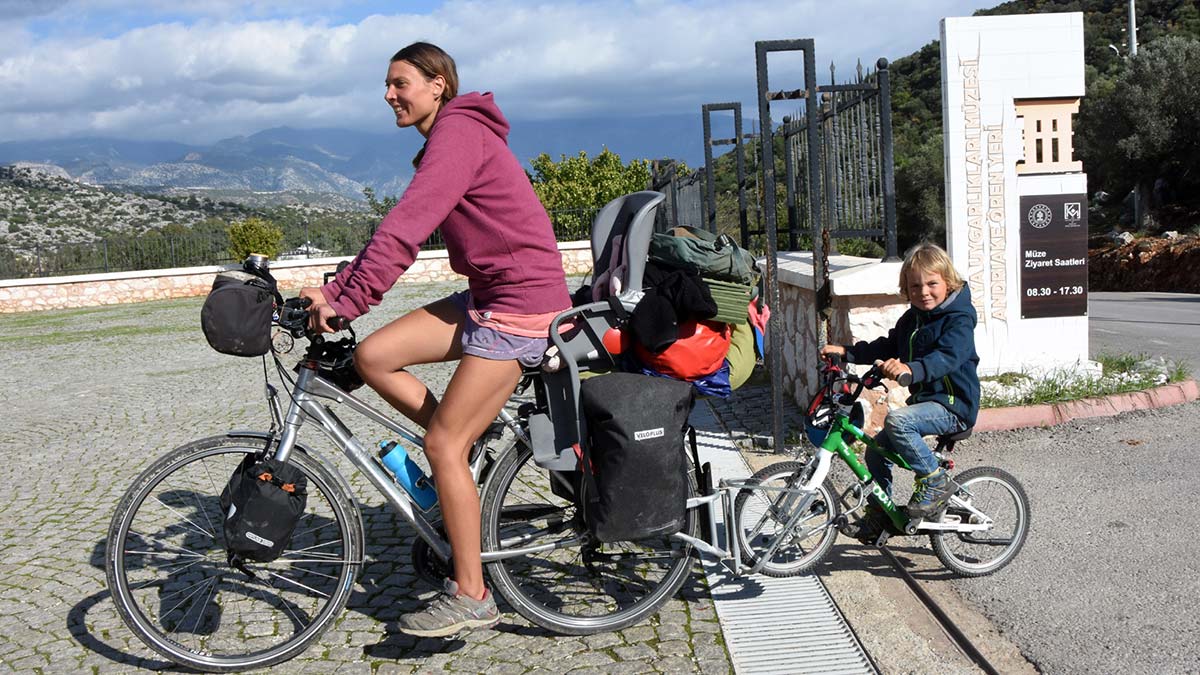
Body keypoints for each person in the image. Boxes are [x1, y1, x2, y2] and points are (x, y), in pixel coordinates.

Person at [300, 42, 571, 637]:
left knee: (442, 446)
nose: (390, 95)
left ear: (438, 84)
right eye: (388, 85)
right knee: (374, 355)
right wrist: (337, 288)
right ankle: (461, 444)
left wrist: (346, 301)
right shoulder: (452, 135)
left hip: (521, 304)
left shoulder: (458, 135)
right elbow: (396, 229)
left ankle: (473, 595)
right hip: (488, 295)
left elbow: (406, 228)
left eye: (400, 83)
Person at [820, 243, 979, 535]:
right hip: (926, 404)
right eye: (915, 286)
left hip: (954, 405)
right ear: (906, 288)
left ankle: (934, 481)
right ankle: (881, 515)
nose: (924, 292)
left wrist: (911, 369)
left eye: (932, 284)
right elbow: (887, 346)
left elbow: (947, 357)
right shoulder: (912, 319)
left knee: (897, 420)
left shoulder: (960, 319)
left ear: (948, 282)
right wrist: (847, 352)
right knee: (875, 450)